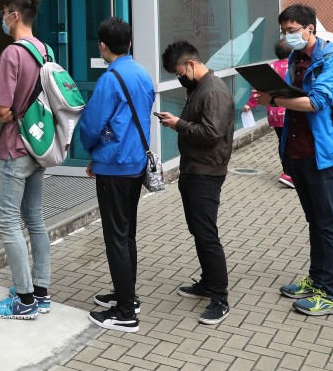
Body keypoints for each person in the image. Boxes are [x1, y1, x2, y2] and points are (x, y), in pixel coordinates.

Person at [254, 4, 333, 316]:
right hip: (296, 152)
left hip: (320, 155)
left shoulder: (331, 61)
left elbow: (317, 102)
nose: (287, 36)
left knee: (328, 223)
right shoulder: (296, 58)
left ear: (310, 29)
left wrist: (277, 100)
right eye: (284, 30)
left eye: (293, 30)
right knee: (315, 221)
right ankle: (317, 279)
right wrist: (274, 94)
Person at [79, 17, 154, 333]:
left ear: (103, 46)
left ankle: (126, 313)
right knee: (127, 234)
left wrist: (91, 150)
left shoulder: (110, 79)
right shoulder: (141, 73)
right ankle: (128, 296)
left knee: (116, 238)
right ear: (131, 43)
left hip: (114, 165)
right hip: (135, 164)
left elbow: (91, 125)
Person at [0, 0, 51, 320]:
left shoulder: (12, 54)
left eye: (4, 13)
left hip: (14, 148)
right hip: (39, 147)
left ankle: (23, 300)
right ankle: (41, 290)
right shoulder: (46, 50)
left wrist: (8, 111)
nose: (2, 19)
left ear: (14, 15)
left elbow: (2, 110)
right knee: (35, 219)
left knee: (8, 220)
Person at [157, 40, 234, 326]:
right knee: (198, 230)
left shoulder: (213, 91)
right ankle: (207, 282)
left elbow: (212, 133)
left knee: (206, 234)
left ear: (190, 63)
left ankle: (220, 298)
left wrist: (178, 124)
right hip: (192, 169)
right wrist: (178, 122)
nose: (178, 78)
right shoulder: (198, 88)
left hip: (207, 173)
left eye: (179, 71)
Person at [244, 40, 292, 187]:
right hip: (290, 111)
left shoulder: (271, 67)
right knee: (291, 143)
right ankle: (289, 174)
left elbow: (259, 87)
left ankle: (286, 170)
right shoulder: (293, 66)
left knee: (282, 141)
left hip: (274, 112)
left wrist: (250, 104)